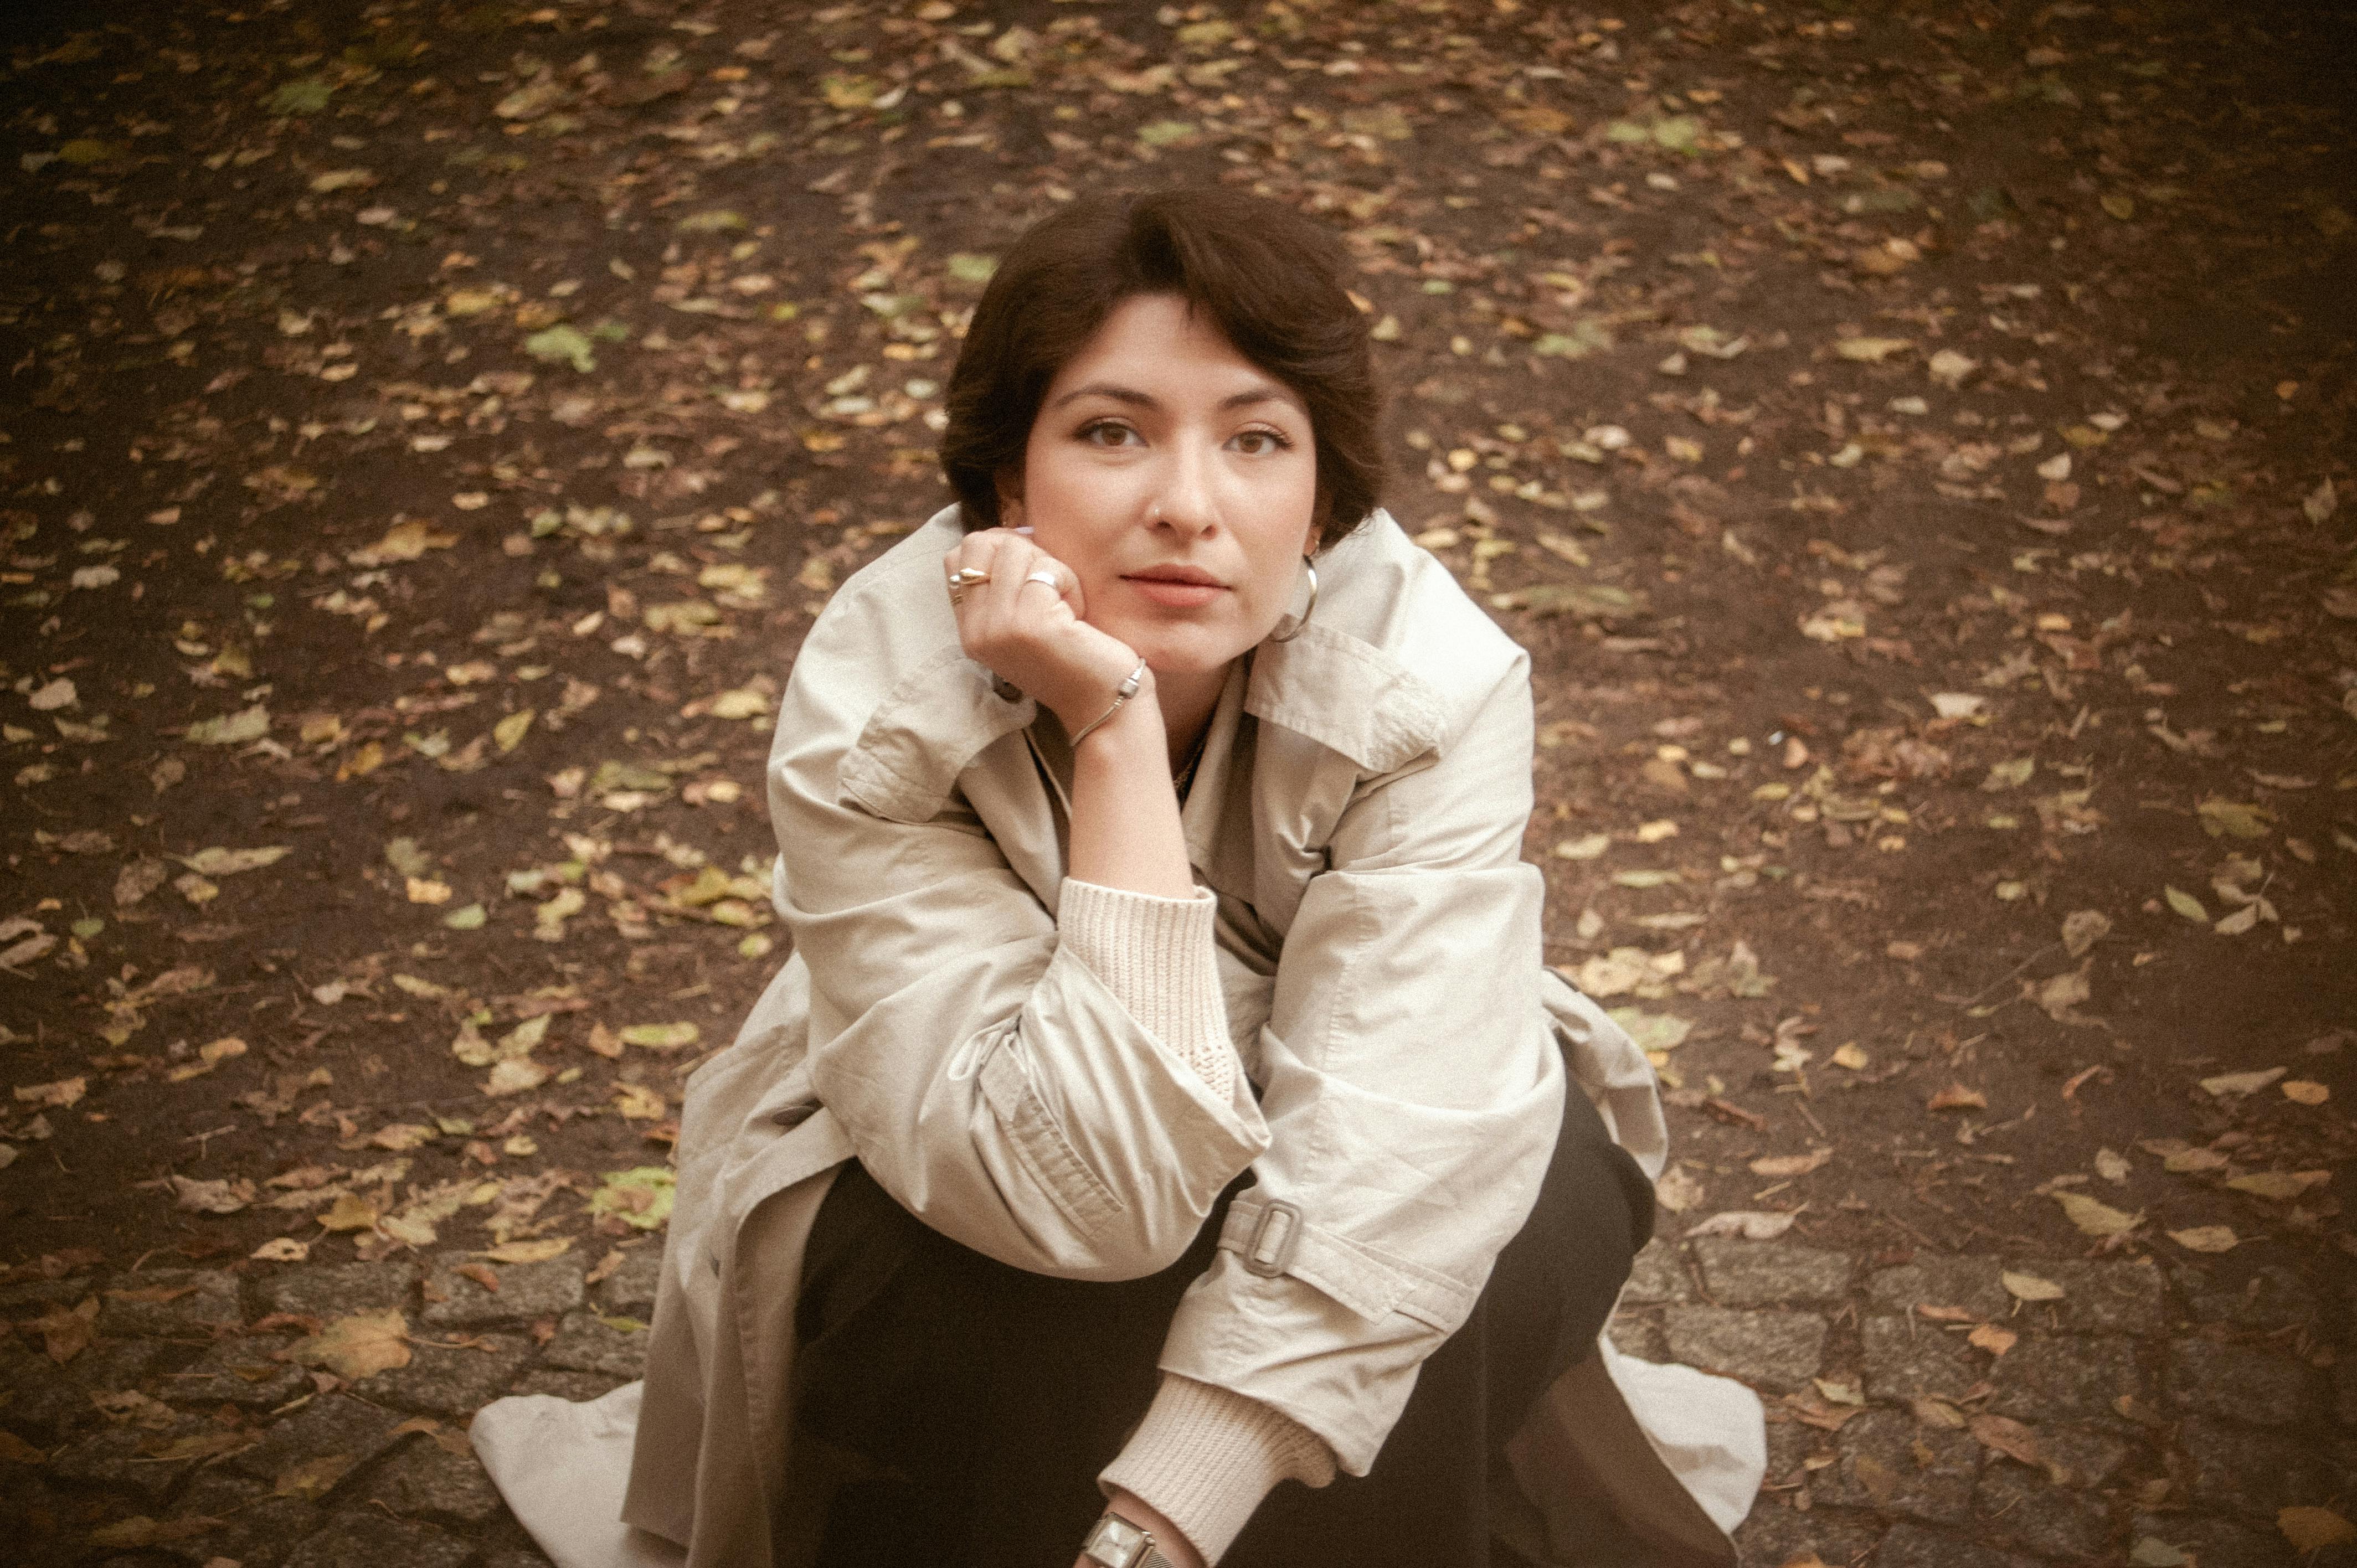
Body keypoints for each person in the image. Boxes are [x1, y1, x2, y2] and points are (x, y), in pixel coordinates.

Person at [471, 188, 1763, 1568]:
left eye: (1256, 440)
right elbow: (1095, 1188)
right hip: (976, 1138)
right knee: (1035, 1296)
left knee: (1515, 1207)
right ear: (1011, 486)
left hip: (1364, 1083)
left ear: (1321, 499)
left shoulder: (1433, 675)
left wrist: (1176, 1502)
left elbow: (1405, 1123)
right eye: (1110, 432)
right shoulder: (878, 694)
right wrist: (1112, 730)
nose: (1186, 506)